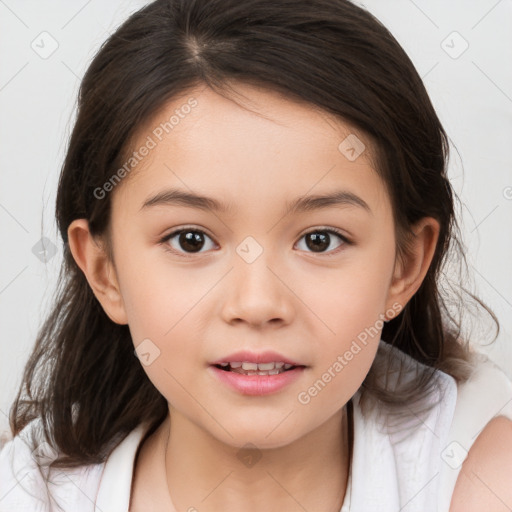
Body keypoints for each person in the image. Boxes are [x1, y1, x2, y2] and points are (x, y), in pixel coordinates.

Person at [1, 0, 511, 511]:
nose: (257, 302)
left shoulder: (476, 477)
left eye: (319, 240)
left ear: (404, 267)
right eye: (191, 240)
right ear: (104, 271)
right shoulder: (28, 494)